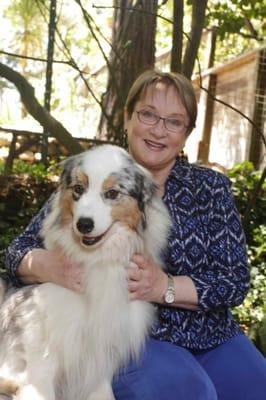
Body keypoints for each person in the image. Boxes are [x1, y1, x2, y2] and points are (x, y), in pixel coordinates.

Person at [5, 70, 266, 400]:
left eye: (174, 122)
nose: (159, 129)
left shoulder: (210, 188)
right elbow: (18, 251)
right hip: (135, 338)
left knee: (257, 387)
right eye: (148, 114)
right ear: (127, 117)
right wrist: (48, 265)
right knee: (191, 391)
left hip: (212, 333)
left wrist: (164, 287)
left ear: (186, 134)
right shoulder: (96, 172)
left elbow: (235, 281)